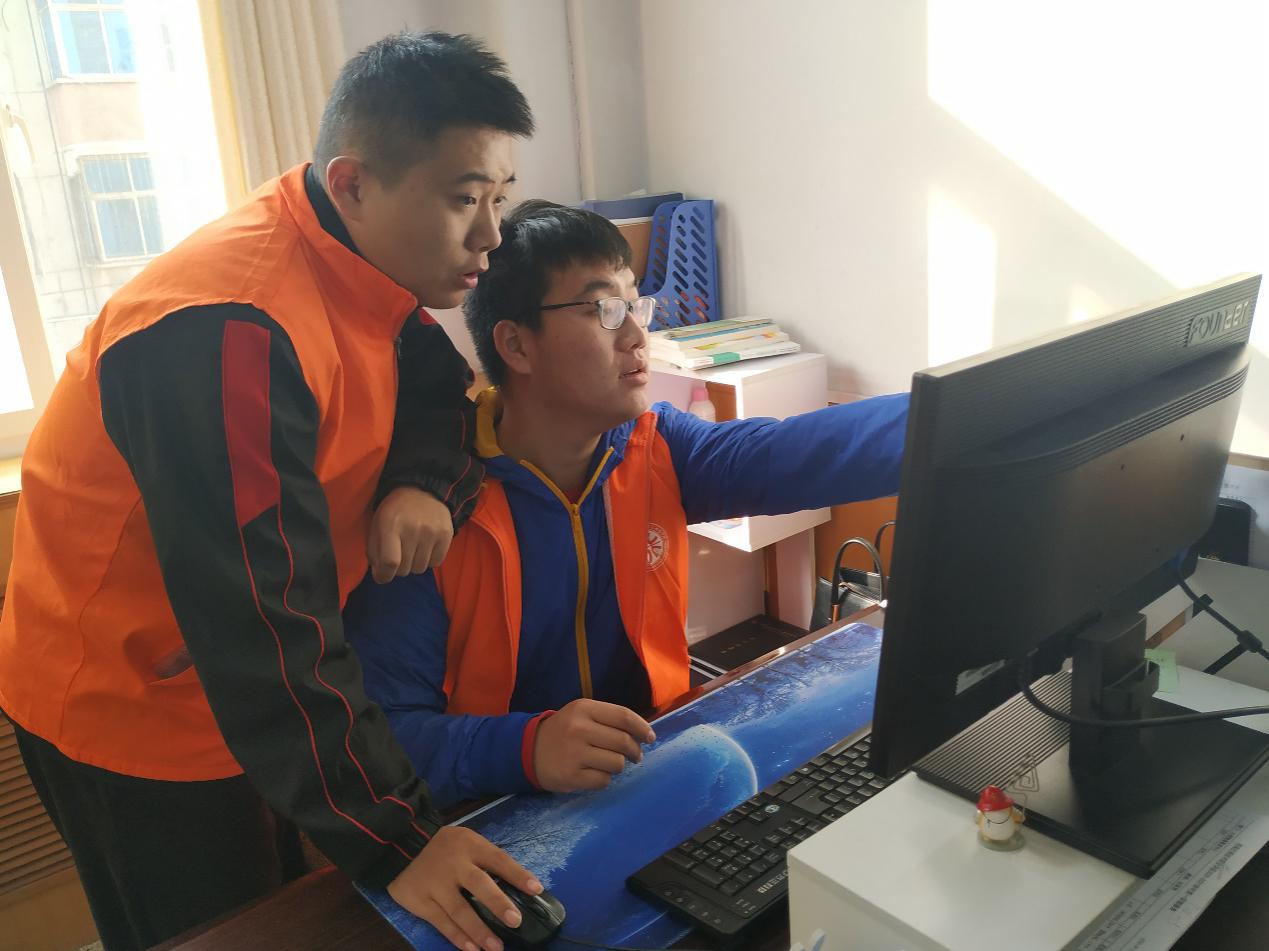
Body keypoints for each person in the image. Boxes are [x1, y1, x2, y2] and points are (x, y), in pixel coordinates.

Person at [0, 32, 544, 951]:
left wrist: (423, 486)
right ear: (353, 183)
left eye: (500, 197)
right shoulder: (225, 330)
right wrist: (402, 837)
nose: (490, 234)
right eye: (464, 199)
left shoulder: (360, 258)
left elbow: (434, 391)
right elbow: (260, 621)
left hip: (264, 692)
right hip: (138, 705)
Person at [344, 200, 909, 809]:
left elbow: (807, 453)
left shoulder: (657, 449)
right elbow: (380, 739)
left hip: (653, 762)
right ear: (516, 345)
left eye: (635, 306)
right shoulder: (431, 509)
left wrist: (956, 415)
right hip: (497, 808)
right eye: (604, 310)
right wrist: (524, 748)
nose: (639, 337)